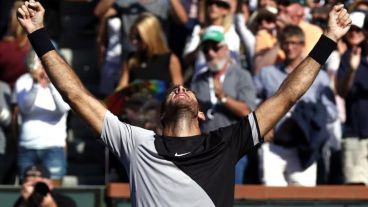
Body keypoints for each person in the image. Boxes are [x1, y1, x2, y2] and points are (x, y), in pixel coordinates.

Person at [17, 1, 351, 206]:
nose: (181, 87)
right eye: (176, 90)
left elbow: (287, 95)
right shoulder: (136, 142)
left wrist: (330, 38)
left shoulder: (225, 141)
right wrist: (38, 33)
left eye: (189, 89)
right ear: (161, 113)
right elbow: (75, 95)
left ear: (203, 114)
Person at [255, 25, 338, 186]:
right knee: (270, 198)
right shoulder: (267, 73)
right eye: (286, 43)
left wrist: (311, 115)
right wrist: (262, 123)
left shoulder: (319, 77)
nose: (290, 47)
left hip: (304, 145)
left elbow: (332, 112)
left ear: (302, 45)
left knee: (303, 199)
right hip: (273, 145)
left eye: (295, 43)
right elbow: (252, 100)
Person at [190, 25, 256, 184]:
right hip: (205, 148)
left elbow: (248, 111)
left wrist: (224, 98)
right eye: (206, 50)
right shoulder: (199, 80)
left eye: (215, 48)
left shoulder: (241, 75)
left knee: (231, 194)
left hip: (232, 146)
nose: (211, 53)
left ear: (225, 48)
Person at [12, 49, 70, 186]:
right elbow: (25, 109)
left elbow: (63, 108)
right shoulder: (23, 81)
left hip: (54, 147)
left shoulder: (62, 81)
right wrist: (36, 84)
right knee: (27, 193)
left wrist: (50, 84)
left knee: (53, 193)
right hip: (27, 147)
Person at [337, 10, 368, 185]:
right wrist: (352, 70)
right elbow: (342, 92)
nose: (355, 33)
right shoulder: (350, 56)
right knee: (356, 193)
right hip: (356, 135)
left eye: (358, 29)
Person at [116, 12, 183, 90]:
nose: (134, 42)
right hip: (136, 101)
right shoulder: (132, 59)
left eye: (139, 37)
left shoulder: (171, 60)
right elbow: (121, 90)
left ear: (150, 36)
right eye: (132, 37)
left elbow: (178, 92)